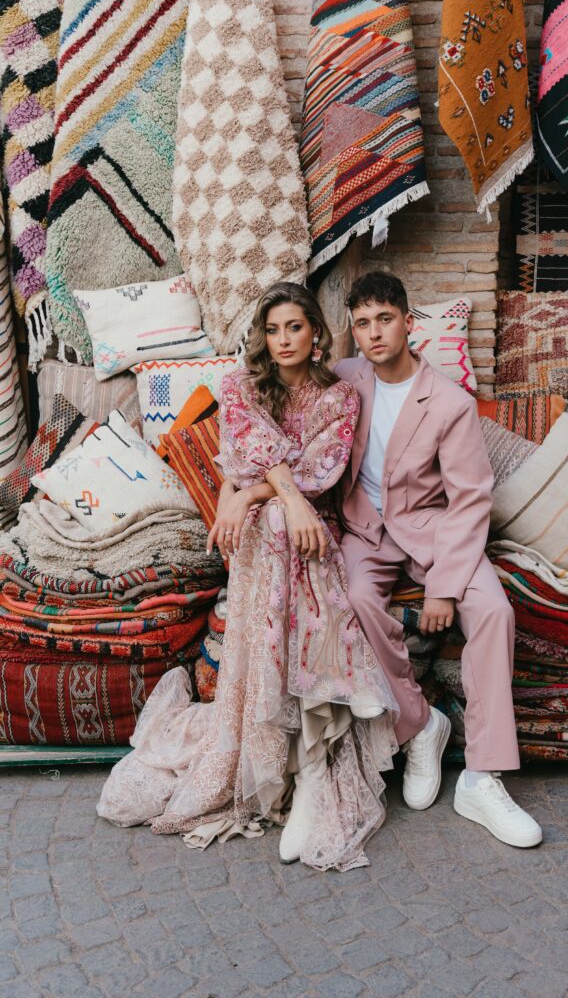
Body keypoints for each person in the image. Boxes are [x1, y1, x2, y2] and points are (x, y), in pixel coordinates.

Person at [97, 282, 398, 872]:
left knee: (285, 525)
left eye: (295, 327)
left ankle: (314, 767)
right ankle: (300, 754)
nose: (283, 340)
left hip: (314, 528)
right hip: (276, 536)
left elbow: (320, 472)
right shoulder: (240, 388)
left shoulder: (339, 398)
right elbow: (246, 448)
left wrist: (254, 493)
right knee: (279, 526)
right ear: (261, 337)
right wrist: (270, 495)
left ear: (316, 335)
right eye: (273, 329)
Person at [335, 271, 542, 849]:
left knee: (495, 613)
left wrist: (445, 587)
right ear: (354, 335)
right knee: (353, 600)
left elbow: (472, 498)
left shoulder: (449, 401)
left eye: (385, 319)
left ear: (408, 322)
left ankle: (482, 776)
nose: (375, 333)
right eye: (363, 323)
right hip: (366, 532)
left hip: (435, 531)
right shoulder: (346, 379)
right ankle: (420, 725)